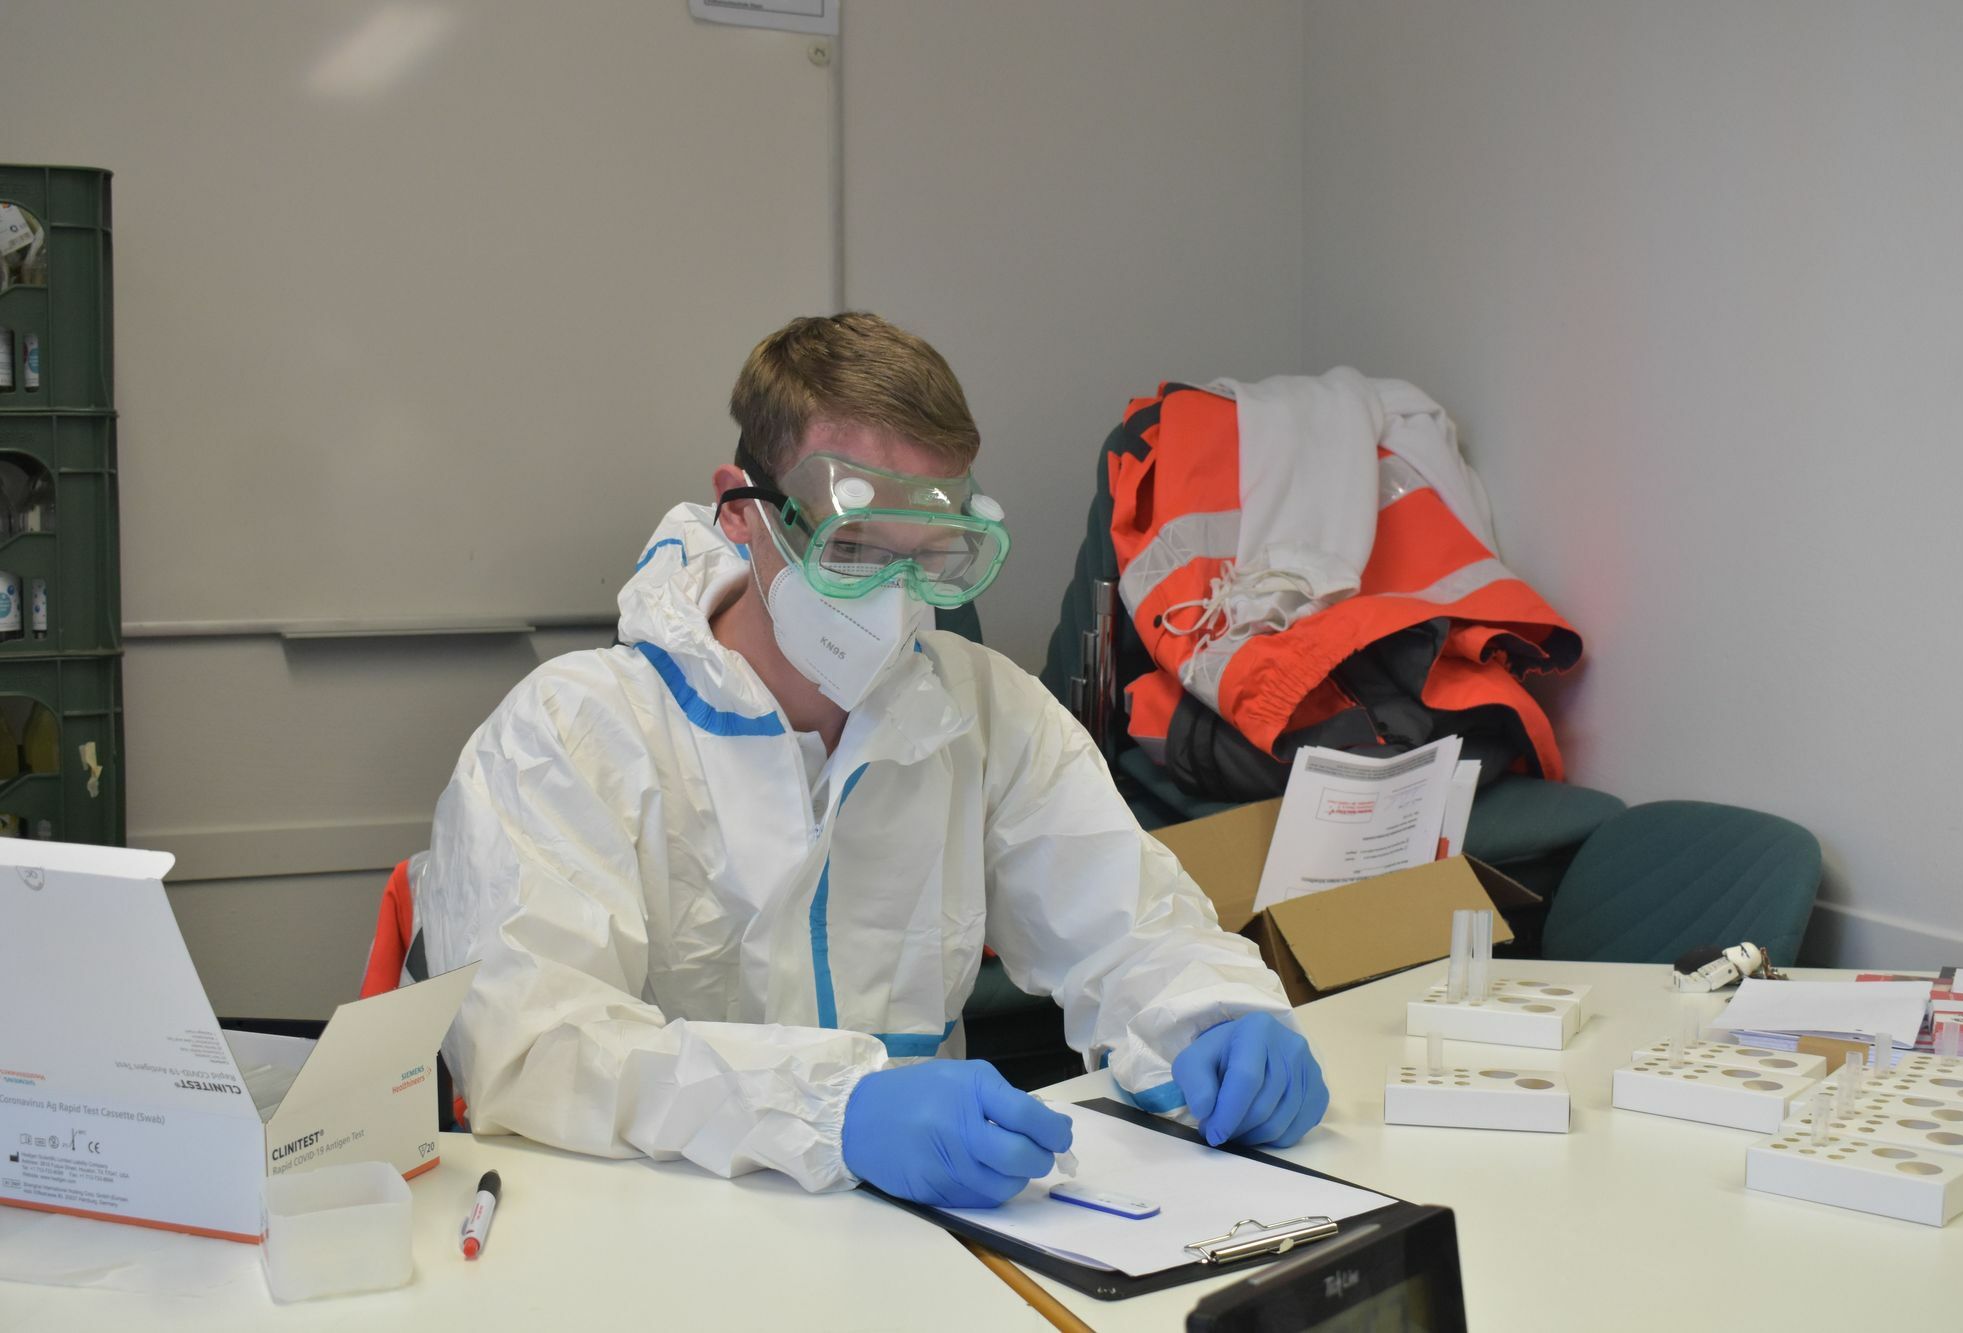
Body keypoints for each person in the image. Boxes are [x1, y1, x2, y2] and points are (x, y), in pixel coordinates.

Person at [417, 313, 1328, 1208]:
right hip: (666, 1240)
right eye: (850, 549)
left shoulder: (983, 711)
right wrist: (832, 1109)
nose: (893, 602)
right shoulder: (569, 734)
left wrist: (1212, 1016)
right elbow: (536, 1046)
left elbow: (1129, 924)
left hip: (919, 1236)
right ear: (744, 513)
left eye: (932, 557)